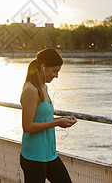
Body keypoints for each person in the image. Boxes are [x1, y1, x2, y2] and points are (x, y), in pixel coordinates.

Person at [20, 48, 77, 183]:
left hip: (49, 153)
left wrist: (62, 120)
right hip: (34, 156)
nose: (56, 76)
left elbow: (42, 119)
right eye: (55, 71)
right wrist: (57, 123)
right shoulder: (31, 90)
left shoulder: (44, 87)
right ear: (43, 67)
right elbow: (27, 127)